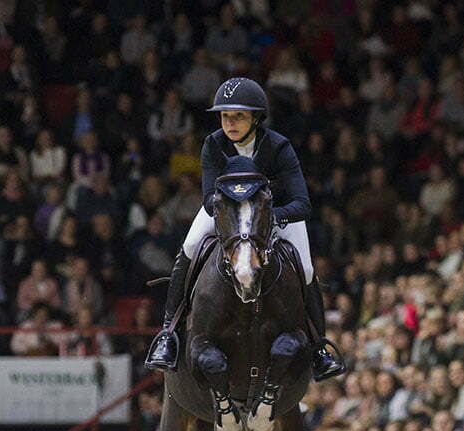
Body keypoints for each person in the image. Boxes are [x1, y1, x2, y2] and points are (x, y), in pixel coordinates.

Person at [144, 77, 345, 381]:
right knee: (189, 247)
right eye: (226, 116)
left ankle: (318, 348)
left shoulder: (279, 147)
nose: (231, 123)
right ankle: (168, 334)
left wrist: (266, 219)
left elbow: (302, 203)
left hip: (278, 216)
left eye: (238, 116)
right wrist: (239, 220)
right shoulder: (213, 144)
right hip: (229, 215)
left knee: (304, 267)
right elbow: (210, 202)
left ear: (256, 118)